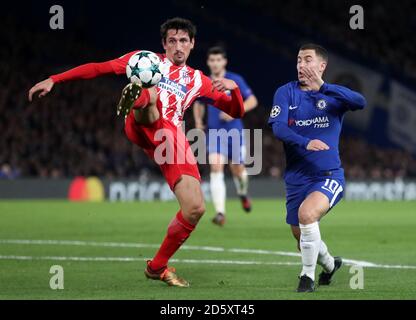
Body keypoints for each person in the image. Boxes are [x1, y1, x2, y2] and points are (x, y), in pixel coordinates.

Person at [28, 17, 245, 288]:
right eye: (172, 41)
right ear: (164, 44)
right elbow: (99, 68)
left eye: (183, 41)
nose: (178, 46)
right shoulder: (143, 60)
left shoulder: (198, 80)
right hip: (142, 124)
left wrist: (235, 92)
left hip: (170, 140)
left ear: (192, 44)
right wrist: (54, 79)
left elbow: (236, 111)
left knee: (195, 208)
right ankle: (137, 96)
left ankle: (156, 267)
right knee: (151, 93)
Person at [268, 44, 366, 292]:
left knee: (308, 215)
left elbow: (360, 101)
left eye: (307, 60)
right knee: (302, 238)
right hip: (296, 178)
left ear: (321, 66)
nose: (301, 65)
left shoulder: (332, 96)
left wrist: (323, 87)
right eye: (299, 60)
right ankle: (331, 265)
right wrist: (305, 142)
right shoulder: (285, 92)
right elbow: (278, 127)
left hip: (328, 175)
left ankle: (307, 278)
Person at [193, 47, 257, 226]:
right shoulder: (204, 82)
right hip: (214, 133)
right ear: (208, 62)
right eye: (212, 60)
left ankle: (243, 193)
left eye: (218, 60)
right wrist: (198, 121)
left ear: (224, 62)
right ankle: (220, 212)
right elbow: (197, 103)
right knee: (215, 167)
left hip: (234, 132)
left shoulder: (235, 80)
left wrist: (234, 112)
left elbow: (252, 101)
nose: (215, 63)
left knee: (238, 169)